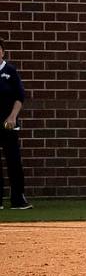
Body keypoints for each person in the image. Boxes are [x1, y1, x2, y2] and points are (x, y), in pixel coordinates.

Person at [0, 39, 30, 210]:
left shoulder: (10, 71)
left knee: (13, 161)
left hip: (8, 124)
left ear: (3, 52)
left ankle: (18, 199)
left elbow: (19, 97)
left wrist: (12, 117)